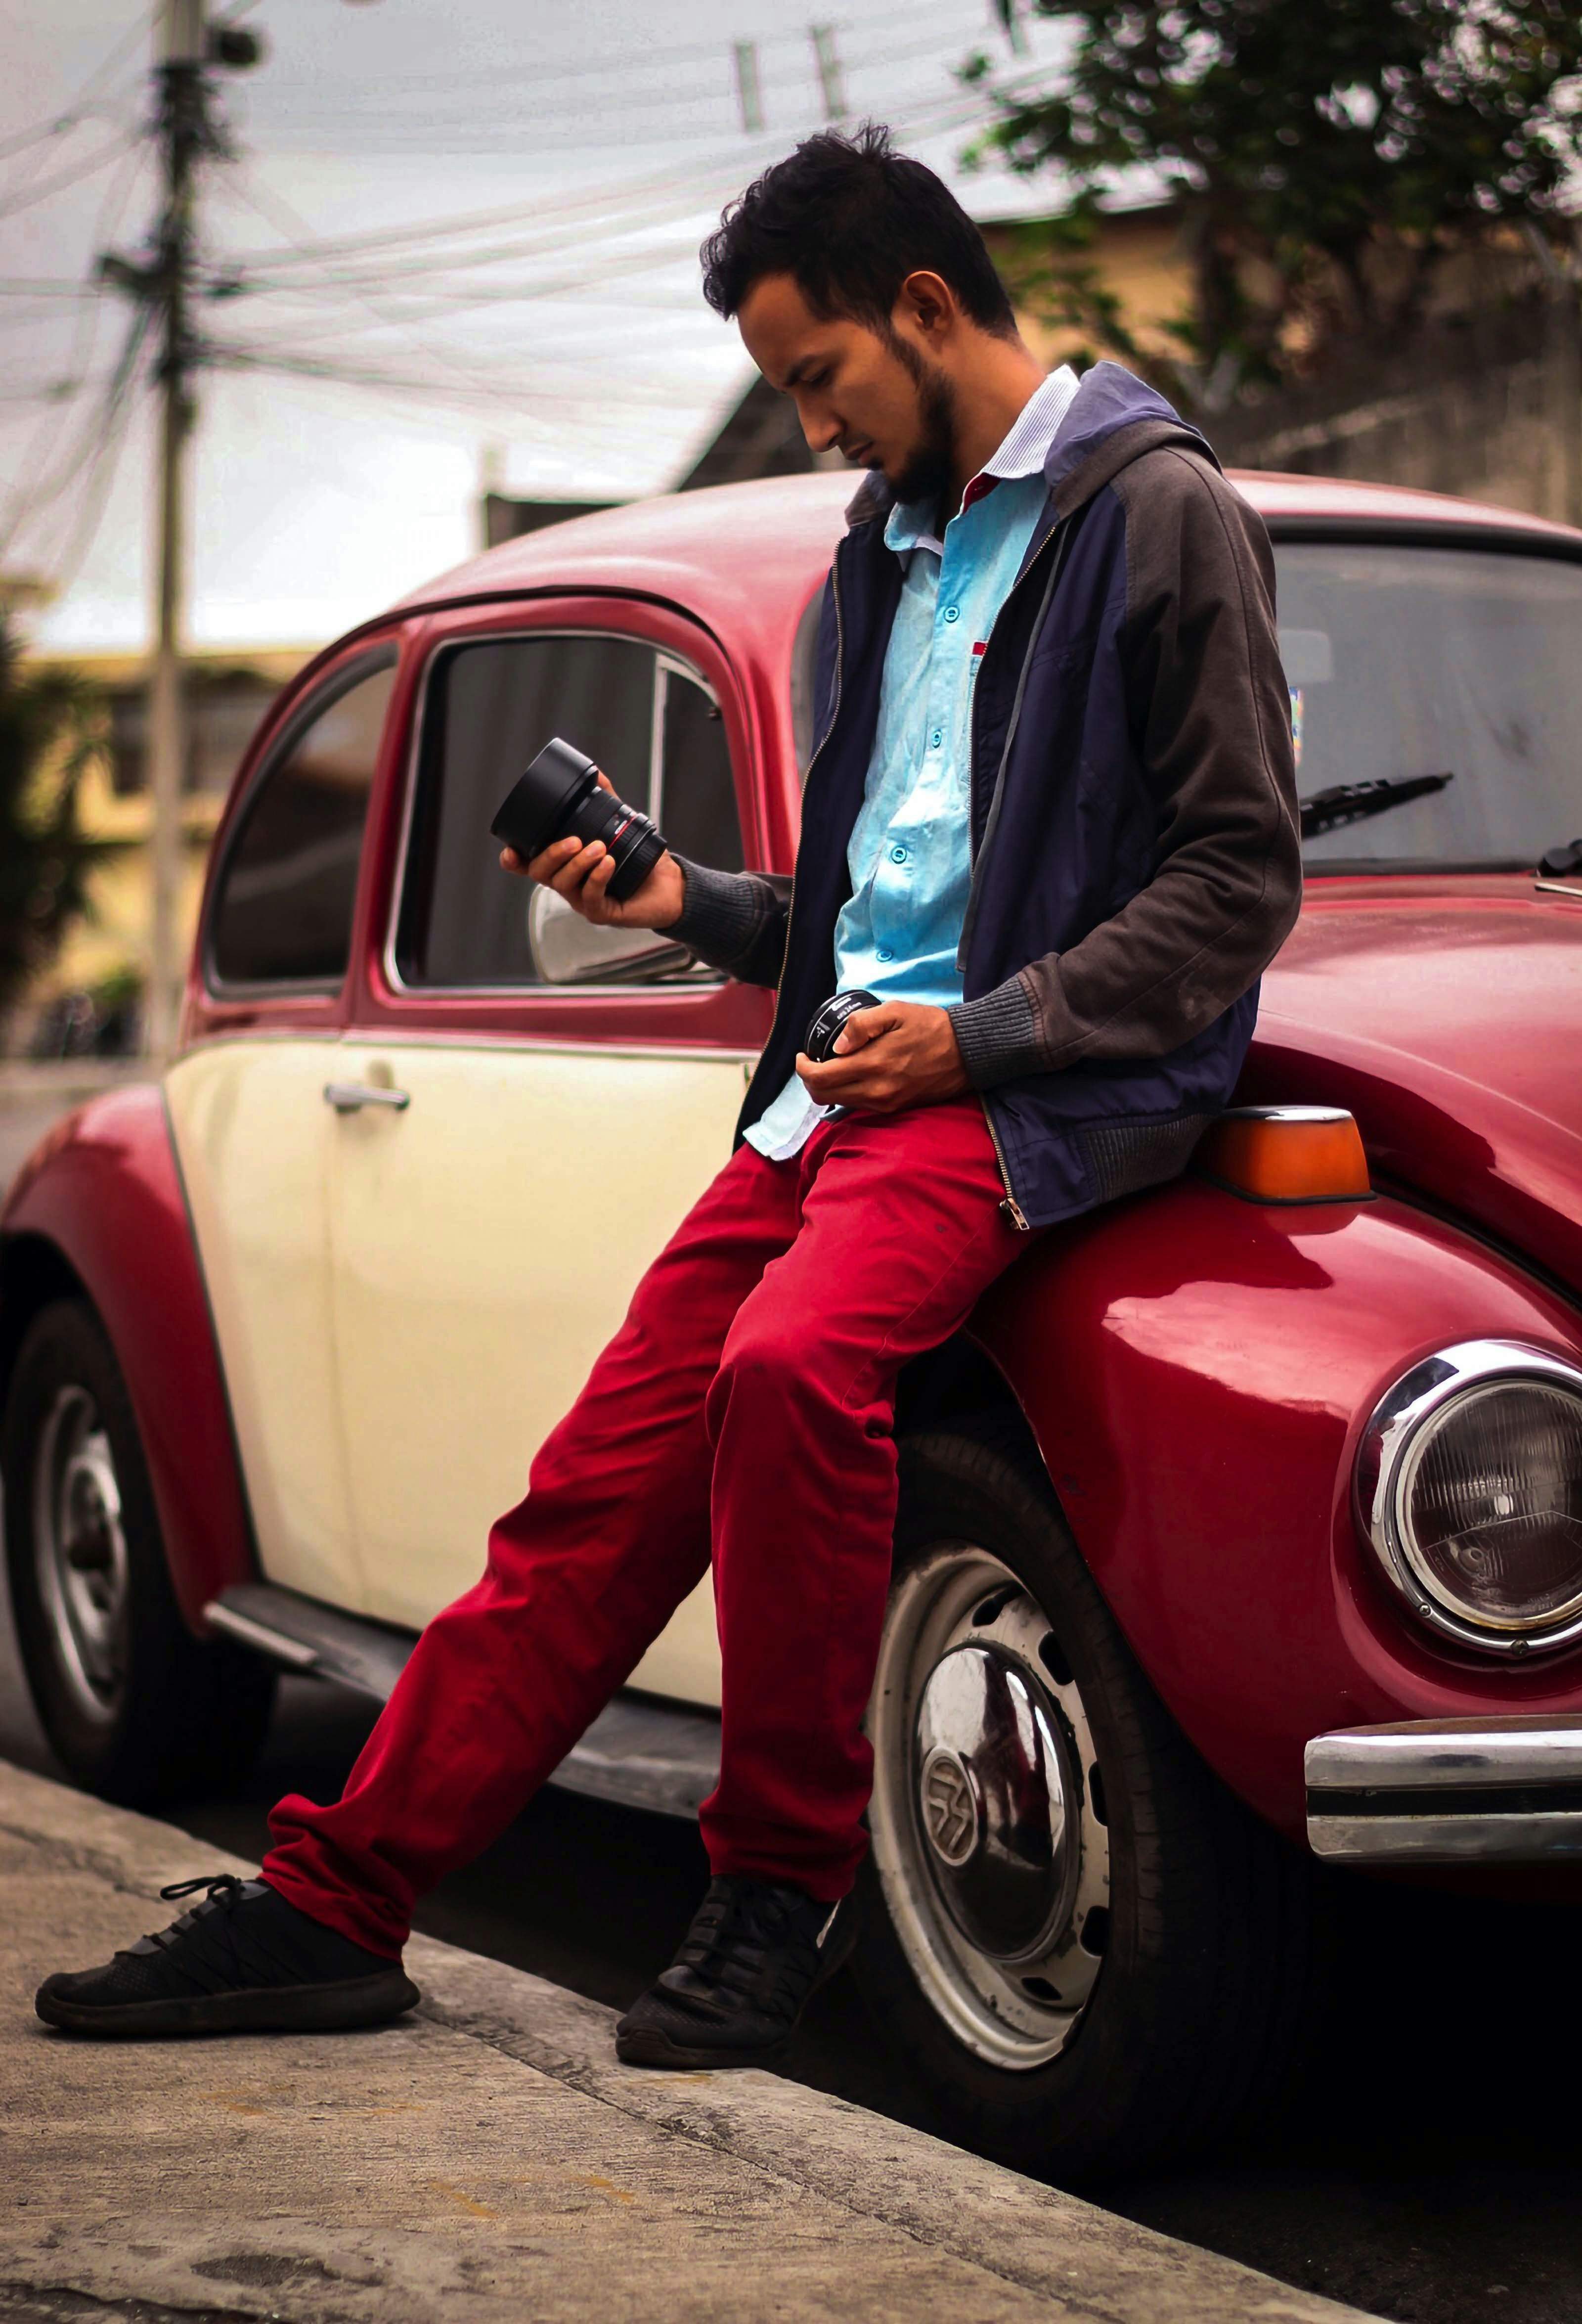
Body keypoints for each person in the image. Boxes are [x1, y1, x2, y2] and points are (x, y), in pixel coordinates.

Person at [37, 125, 1301, 2066]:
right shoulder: (875, 564)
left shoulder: (1149, 515)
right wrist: (678, 899)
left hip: (1008, 1099)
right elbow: (863, 910)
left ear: (928, 306)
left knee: (796, 1367)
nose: (807, 428)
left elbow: (1234, 879)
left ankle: (776, 1893)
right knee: (591, 1494)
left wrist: (974, 1040)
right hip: (828, 1103)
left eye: (818, 378)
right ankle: (330, 1895)